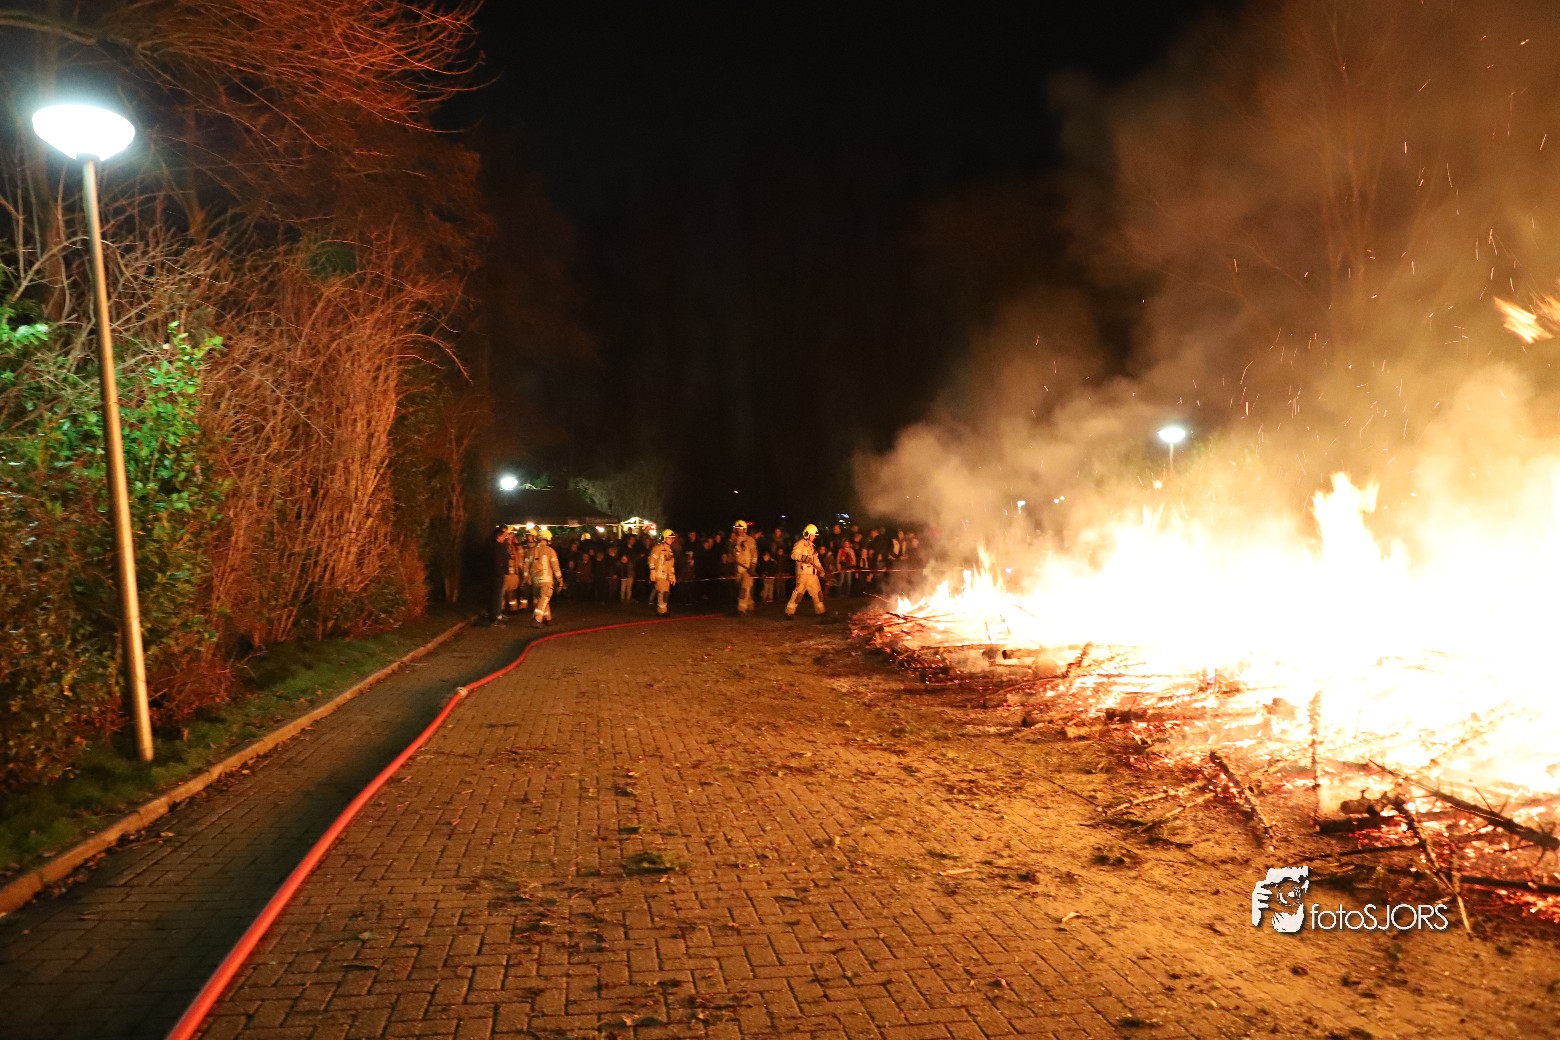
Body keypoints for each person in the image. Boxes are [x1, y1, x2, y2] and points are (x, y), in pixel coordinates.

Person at [785, 523, 827, 618]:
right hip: (803, 574)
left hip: (813, 575)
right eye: (813, 535)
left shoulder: (812, 546)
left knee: (818, 594)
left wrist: (821, 570)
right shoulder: (799, 544)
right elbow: (793, 555)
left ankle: (821, 612)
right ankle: (789, 612)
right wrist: (803, 558)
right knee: (798, 594)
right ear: (807, 534)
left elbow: (816, 560)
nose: (815, 537)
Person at [529, 527, 564, 626]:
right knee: (544, 598)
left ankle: (548, 619)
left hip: (535, 581)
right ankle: (537, 619)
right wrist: (560, 579)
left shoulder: (532, 551)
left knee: (543, 600)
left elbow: (528, 565)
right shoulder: (550, 551)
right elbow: (555, 567)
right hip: (546, 581)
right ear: (547, 539)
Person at [730, 519, 759, 614]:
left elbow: (754, 554)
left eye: (741, 528)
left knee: (744, 589)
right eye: (737, 528)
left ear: (744, 529)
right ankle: (750, 605)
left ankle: (741, 609)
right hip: (738, 569)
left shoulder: (750, 540)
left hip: (747, 569)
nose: (739, 530)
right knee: (744, 589)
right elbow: (731, 555)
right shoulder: (733, 540)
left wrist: (753, 566)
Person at [489, 526, 516, 624]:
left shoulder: (501, 546)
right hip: (497, 575)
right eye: (504, 535)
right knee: (496, 596)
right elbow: (497, 561)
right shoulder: (495, 547)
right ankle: (494, 616)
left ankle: (497, 614)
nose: (506, 537)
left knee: (499, 595)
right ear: (499, 536)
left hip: (501, 574)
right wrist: (500, 572)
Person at [649, 529, 678, 615]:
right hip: (659, 574)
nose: (671, 539)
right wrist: (652, 571)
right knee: (663, 592)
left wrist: (672, 576)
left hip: (666, 576)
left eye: (672, 538)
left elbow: (671, 565)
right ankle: (662, 611)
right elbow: (651, 560)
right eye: (669, 538)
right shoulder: (658, 548)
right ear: (664, 538)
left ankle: (662, 610)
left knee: (665, 593)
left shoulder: (670, 551)